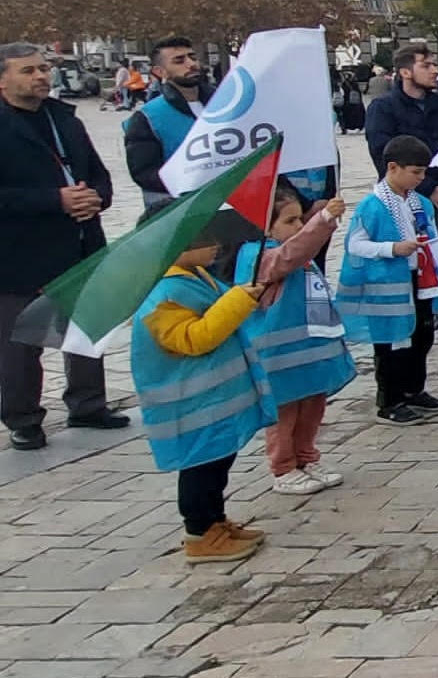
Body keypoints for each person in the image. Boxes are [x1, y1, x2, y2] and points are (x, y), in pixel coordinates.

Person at [129, 209, 275, 563]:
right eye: (204, 240)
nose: (215, 246)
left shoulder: (195, 276)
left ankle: (215, 521)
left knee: (218, 463)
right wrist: (238, 300)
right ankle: (199, 533)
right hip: (190, 405)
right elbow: (194, 339)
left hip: (213, 402)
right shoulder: (164, 293)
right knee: (201, 468)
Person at [0, 43, 127, 449]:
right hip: (20, 253)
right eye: (28, 70)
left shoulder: (63, 118)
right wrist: (55, 200)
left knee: (87, 328)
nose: (40, 76)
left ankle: (88, 404)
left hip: (81, 243)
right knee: (21, 341)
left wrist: (97, 197)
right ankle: (23, 418)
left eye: (43, 68)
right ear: (4, 79)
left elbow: (95, 172)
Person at [234, 183, 352, 495]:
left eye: (300, 219)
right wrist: (322, 220)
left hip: (310, 348)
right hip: (279, 354)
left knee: (313, 405)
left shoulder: (298, 248)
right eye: (290, 221)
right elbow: (290, 254)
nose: (298, 226)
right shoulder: (258, 255)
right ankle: (283, 466)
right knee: (285, 412)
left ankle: (306, 455)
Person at [339, 134, 438, 426]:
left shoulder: (420, 203)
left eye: (423, 172)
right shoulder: (371, 206)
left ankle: (414, 389)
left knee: (421, 336)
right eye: (415, 172)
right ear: (392, 168)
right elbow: (355, 245)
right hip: (387, 285)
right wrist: (390, 249)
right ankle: (389, 400)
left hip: (419, 279)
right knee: (390, 343)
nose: (419, 178)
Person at [362, 45, 438, 230]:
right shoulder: (383, 108)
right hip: (402, 201)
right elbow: (383, 155)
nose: (434, 70)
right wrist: (429, 189)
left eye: (435, 65)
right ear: (405, 72)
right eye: (426, 66)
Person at [124, 35, 214, 211]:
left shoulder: (226, 103)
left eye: (192, 57)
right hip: (184, 209)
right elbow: (145, 173)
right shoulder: (147, 118)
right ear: (160, 71)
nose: (191, 64)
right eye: (179, 61)